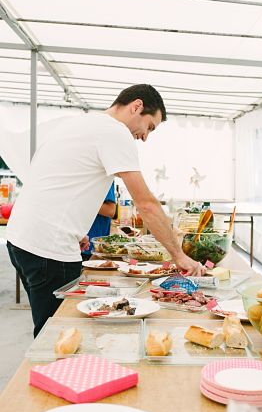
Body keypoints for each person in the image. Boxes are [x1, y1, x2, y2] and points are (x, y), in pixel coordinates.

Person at [7, 84, 204, 336]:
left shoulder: (80, 124)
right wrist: (178, 255)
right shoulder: (115, 132)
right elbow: (146, 203)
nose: (145, 137)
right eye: (149, 127)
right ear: (137, 106)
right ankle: (53, 374)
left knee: (51, 327)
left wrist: (73, 229)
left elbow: (50, 177)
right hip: (48, 250)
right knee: (59, 335)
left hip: (21, 241)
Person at [81, 182, 116, 261]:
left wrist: (77, 198)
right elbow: (110, 210)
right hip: (83, 246)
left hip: (90, 247)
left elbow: (110, 210)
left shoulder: (103, 176)